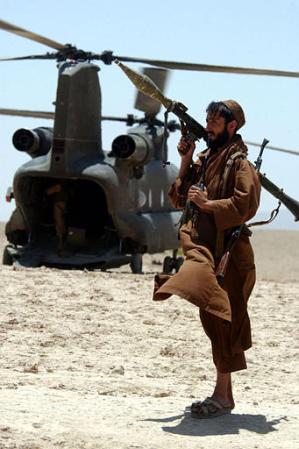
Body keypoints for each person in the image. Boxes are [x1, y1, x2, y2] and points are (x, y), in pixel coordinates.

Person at [153, 100, 261, 419]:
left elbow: (246, 205)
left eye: (216, 122)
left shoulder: (240, 164)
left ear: (232, 126)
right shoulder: (207, 159)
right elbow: (179, 197)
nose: (209, 126)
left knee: (223, 321)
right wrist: (185, 160)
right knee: (214, 321)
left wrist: (208, 203)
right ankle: (223, 395)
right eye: (208, 120)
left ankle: (222, 397)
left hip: (230, 254)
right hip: (206, 250)